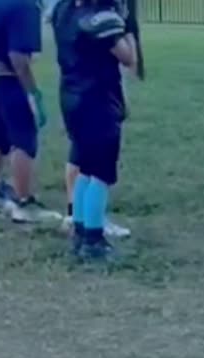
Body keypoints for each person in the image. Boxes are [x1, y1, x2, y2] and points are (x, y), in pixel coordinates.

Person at [50, 0, 136, 260]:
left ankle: (80, 229)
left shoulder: (63, 9)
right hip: (97, 97)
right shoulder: (100, 16)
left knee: (85, 165)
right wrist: (127, 28)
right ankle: (94, 239)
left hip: (71, 93)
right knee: (100, 171)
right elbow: (127, 56)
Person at [0, 0, 60, 222]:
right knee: (24, 139)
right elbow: (18, 57)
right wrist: (32, 93)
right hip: (5, 80)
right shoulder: (25, 7)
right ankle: (24, 203)